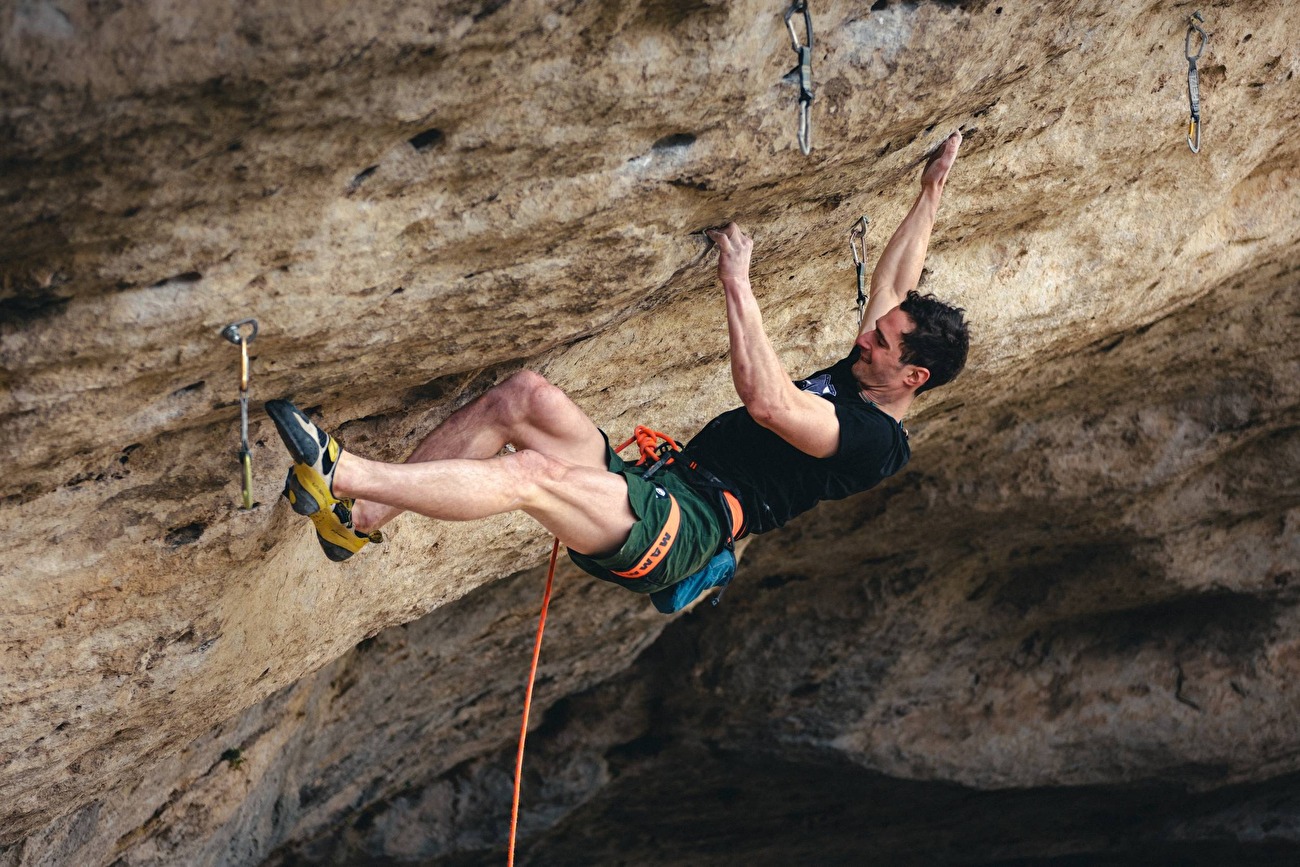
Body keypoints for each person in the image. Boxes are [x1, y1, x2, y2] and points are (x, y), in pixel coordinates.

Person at [266, 131, 970, 611]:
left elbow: (768, 402)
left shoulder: (875, 440)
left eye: (882, 342)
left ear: (913, 379)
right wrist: (931, 189)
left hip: (684, 530)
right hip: (660, 484)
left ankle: (341, 472)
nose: (865, 335)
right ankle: (357, 520)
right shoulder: (876, 357)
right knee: (524, 396)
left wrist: (737, 282)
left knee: (532, 477)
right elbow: (896, 282)